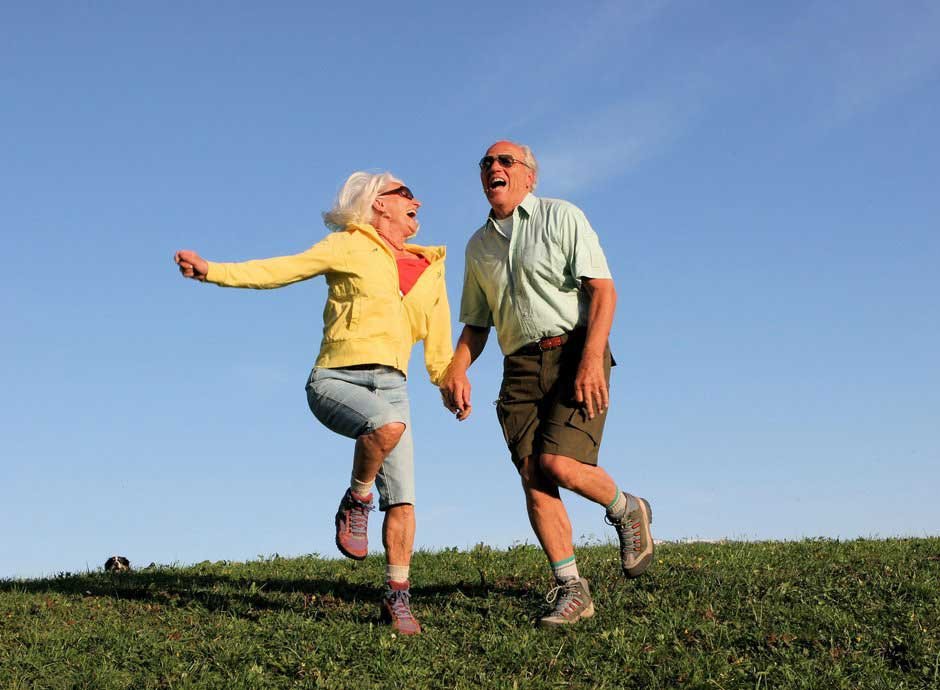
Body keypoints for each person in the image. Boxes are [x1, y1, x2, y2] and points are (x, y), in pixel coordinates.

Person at [174, 171, 452, 635]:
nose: (416, 201)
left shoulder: (430, 268)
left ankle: (396, 597)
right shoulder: (349, 244)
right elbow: (281, 269)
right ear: (378, 204)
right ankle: (357, 499)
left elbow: (438, 336)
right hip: (336, 378)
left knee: (403, 500)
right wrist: (212, 270)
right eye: (404, 193)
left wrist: (447, 380)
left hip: (394, 384)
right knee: (386, 427)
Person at [440, 141, 654, 628]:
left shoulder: (562, 217)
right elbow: (477, 323)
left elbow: (603, 289)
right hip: (518, 368)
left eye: (505, 161)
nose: (494, 168)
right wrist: (457, 369)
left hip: (574, 352)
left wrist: (593, 358)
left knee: (560, 463)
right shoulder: (478, 246)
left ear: (529, 177)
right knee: (535, 477)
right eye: (486, 163)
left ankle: (627, 509)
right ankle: (572, 589)